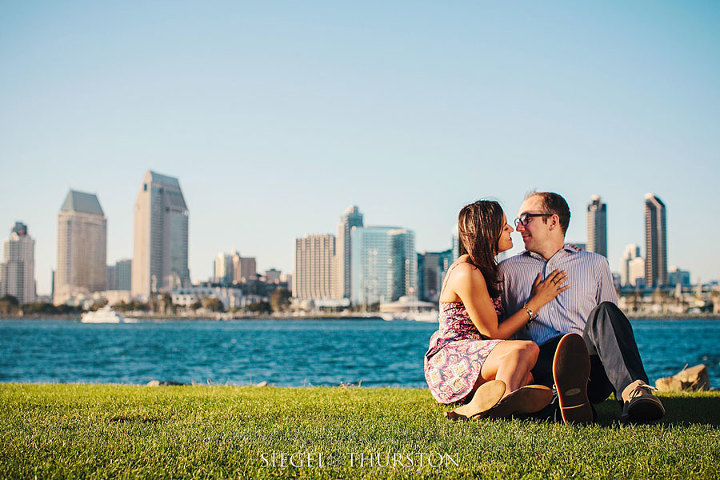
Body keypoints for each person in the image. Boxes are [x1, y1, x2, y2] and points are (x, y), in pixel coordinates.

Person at [499, 192, 665, 424]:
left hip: (590, 368)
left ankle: (634, 394)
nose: (519, 228)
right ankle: (565, 404)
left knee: (606, 311)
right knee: (559, 346)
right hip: (543, 368)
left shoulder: (595, 263)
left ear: (553, 221)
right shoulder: (507, 270)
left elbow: (611, 331)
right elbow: (501, 334)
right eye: (518, 221)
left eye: (526, 219)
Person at [424, 200, 569, 420]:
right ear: (488, 232)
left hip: (477, 359)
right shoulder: (467, 273)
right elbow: (494, 333)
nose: (511, 229)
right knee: (525, 350)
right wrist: (537, 302)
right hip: (452, 361)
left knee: (527, 376)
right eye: (503, 226)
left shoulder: (484, 269)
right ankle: (503, 404)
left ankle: (481, 405)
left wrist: (565, 251)